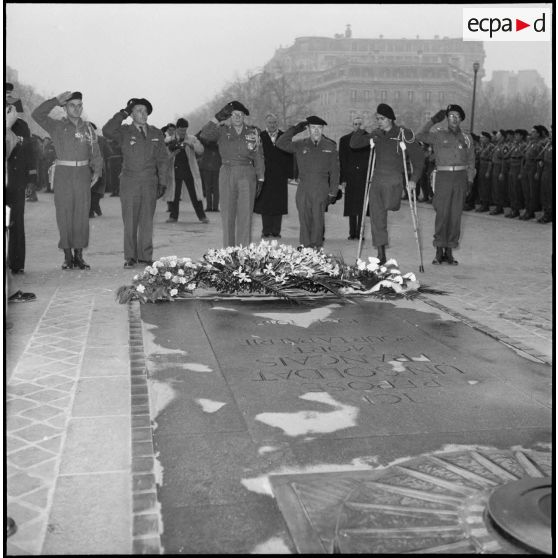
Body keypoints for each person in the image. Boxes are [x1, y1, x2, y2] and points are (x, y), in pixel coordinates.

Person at [32, 91, 101, 270]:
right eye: (72, 105)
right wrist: (55, 100)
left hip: (82, 174)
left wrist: (97, 170)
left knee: (81, 214)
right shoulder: (56, 126)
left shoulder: (88, 128)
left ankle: (79, 254)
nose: (77, 108)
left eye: (79, 105)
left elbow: (96, 152)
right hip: (63, 173)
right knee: (64, 214)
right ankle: (67, 255)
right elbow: (36, 114)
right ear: (65, 107)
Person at [350, 103, 424, 263]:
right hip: (376, 180)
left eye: (382, 119)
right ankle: (381, 251)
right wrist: (360, 128)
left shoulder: (403, 133)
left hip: (394, 180)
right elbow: (354, 144)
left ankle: (381, 247)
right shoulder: (376, 134)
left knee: (391, 206)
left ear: (390, 119)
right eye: (377, 119)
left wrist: (413, 180)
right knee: (377, 217)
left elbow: (419, 159)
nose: (379, 122)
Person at [103, 97, 168, 268]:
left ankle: (145, 256)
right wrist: (122, 113)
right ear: (131, 114)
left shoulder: (156, 133)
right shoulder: (124, 132)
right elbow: (107, 130)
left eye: (145, 111)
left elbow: (162, 159)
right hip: (129, 181)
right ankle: (130, 256)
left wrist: (163, 181)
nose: (143, 114)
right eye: (138, 110)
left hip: (149, 181)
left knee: (147, 220)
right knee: (130, 220)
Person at [416, 104, 475, 265]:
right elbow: (419, 135)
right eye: (450, 116)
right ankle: (438, 250)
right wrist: (433, 120)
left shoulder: (467, 138)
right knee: (442, 214)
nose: (454, 119)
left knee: (455, 215)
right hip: (443, 177)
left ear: (461, 119)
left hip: (460, 178)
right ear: (446, 118)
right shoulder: (438, 134)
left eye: (457, 116)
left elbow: (471, 162)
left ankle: (449, 251)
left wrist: (470, 180)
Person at [200, 100, 264, 247]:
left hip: (247, 172)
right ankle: (228, 252)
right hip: (227, 171)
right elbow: (204, 134)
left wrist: (261, 177)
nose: (237, 117)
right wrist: (217, 117)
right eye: (234, 114)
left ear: (244, 116)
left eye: (240, 114)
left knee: (245, 214)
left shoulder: (253, 132)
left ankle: (243, 251)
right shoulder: (222, 130)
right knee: (227, 214)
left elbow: (258, 156)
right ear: (229, 116)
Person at [276, 115, 339, 249]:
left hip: (321, 188)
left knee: (318, 221)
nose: (316, 131)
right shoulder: (300, 144)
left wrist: (333, 193)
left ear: (322, 129)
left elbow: (335, 172)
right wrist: (295, 129)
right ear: (308, 129)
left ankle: (316, 249)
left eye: (319, 128)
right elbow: (280, 143)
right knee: (304, 221)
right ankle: (305, 249)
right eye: (313, 127)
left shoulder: (330, 146)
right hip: (304, 188)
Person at [5, 101, 36, 304]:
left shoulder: (20, 124)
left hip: (14, 180)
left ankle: (16, 264)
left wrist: (31, 177)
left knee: (15, 222)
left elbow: (29, 152)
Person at [254, 112, 294, 239]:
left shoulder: (284, 136)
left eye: (274, 122)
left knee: (278, 203)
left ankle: (276, 230)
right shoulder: (260, 136)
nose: (272, 125)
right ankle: (266, 230)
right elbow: (255, 155)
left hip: (280, 175)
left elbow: (289, 156)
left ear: (278, 123)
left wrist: (290, 173)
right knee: (265, 203)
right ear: (266, 123)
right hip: (264, 174)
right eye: (270, 122)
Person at [163, 118, 208, 224]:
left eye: (185, 130)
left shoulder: (192, 138)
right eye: (181, 130)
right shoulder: (169, 140)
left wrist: (190, 144)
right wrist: (171, 150)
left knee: (195, 194)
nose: (183, 132)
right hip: (175, 171)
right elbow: (163, 155)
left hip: (190, 170)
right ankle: (173, 216)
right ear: (177, 129)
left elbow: (201, 150)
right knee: (175, 194)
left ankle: (202, 216)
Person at [338, 116, 370, 240]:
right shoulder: (345, 140)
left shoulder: (369, 138)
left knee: (362, 206)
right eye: (355, 124)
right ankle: (352, 232)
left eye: (360, 124)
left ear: (363, 125)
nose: (357, 126)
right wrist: (343, 179)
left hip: (364, 176)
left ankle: (360, 232)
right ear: (352, 125)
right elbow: (343, 160)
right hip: (351, 176)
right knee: (351, 205)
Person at [520, 125, 548, 221]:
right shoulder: (531, 143)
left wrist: (537, 171)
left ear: (538, 133)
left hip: (533, 167)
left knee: (533, 191)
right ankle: (527, 209)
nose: (531, 133)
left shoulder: (541, 144)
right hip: (527, 166)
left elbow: (540, 160)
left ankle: (532, 211)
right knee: (526, 190)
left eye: (534, 132)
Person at [196, 129, 221, 212]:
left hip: (206, 166)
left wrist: (203, 130)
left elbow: (197, 136)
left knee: (208, 188)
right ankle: (215, 207)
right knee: (216, 188)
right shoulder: (219, 142)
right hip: (217, 166)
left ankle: (209, 207)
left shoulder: (205, 142)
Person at [506, 129, 527, 219]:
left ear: (522, 136)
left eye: (517, 135)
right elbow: (507, 155)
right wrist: (514, 146)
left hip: (518, 167)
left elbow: (524, 159)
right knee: (511, 189)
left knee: (517, 190)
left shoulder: (524, 145)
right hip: (512, 167)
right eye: (515, 135)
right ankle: (513, 208)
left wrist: (521, 172)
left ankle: (517, 209)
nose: (515, 137)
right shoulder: (514, 145)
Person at [89, 123, 108, 218]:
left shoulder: (101, 140)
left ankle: (93, 208)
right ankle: (93, 208)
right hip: (87, 167)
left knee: (96, 188)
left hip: (97, 167)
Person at [475, 131, 494, 213]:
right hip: (481, 166)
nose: (481, 139)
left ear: (487, 138)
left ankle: (486, 204)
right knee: (481, 186)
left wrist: (488, 171)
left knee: (486, 186)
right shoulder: (482, 147)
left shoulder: (491, 147)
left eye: (482, 137)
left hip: (486, 166)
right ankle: (482, 202)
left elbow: (490, 160)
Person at [537, 127, 553, 224]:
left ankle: (550, 214)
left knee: (551, 194)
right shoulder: (548, 145)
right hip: (546, 172)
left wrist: (546, 161)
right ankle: (547, 213)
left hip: (551, 172)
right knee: (545, 193)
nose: (550, 134)